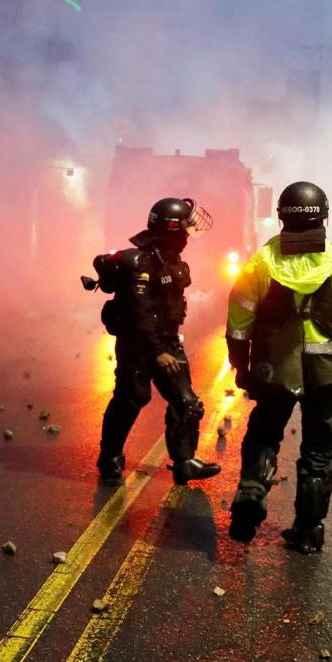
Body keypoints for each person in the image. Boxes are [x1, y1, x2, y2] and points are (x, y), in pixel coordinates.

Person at [224, 181, 332, 553]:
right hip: (331, 375)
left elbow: (238, 323)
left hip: (275, 372)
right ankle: (308, 531)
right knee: (320, 449)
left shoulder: (261, 264)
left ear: (281, 217)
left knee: (264, 433)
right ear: (325, 217)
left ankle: (251, 491)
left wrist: (242, 368)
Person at [95, 198, 222, 486]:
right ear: (172, 229)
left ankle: (185, 463)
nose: (189, 235)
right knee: (131, 400)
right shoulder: (142, 263)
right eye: (185, 229)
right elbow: (140, 314)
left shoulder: (170, 259)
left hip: (167, 342)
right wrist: (158, 352)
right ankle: (110, 458)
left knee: (186, 403)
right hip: (140, 346)